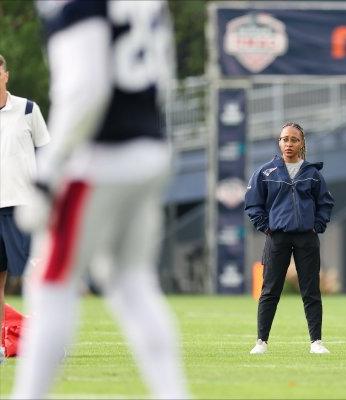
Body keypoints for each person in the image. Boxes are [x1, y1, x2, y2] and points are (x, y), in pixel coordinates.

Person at [11, 1, 189, 398]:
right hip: (149, 148)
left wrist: (48, 173)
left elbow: (85, 87)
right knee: (131, 281)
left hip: (100, 156)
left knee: (50, 282)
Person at [245, 122, 335, 355]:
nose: (289, 144)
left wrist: (317, 225)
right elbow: (253, 204)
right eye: (285, 139)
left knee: (311, 290)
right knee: (270, 290)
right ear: (279, 142)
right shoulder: (266, 173)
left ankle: (316, 342)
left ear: (301, 143)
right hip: (277, 238)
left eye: (294, 139)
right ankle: (261, 342)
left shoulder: (313, 174)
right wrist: (266, 227)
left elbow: (325, 203)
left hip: (307, 238)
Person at [0, 54, 50, 364]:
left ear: (5, 73)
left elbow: (46, 157)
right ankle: (1, 346)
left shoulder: (29, 110)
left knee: (37, 277)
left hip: (24, 207)